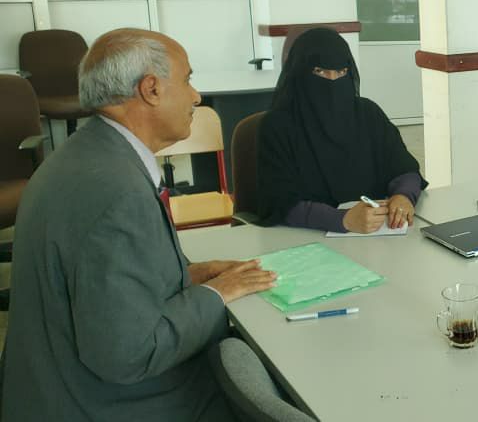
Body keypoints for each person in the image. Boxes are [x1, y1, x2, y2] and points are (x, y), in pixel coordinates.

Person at [2, 29, 277, 421]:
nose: (196, 96)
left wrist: (187, 276)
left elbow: (102, 285)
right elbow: (130, 354)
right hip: (102, 403)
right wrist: (217, 293)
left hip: (56, 383)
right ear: (151, 89)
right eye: (187, 80)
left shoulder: (86, 155)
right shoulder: (116, 193)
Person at [257, 27, 426, 233]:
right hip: (306, 238)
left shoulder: (368, 114)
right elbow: (278, 204)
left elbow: (404, 169)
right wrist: (342, 220)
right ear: (299, 73)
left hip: (377, 236)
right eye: (320, 72)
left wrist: (403, 196)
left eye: (341, 72)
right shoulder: (277, 126)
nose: (332, 81)